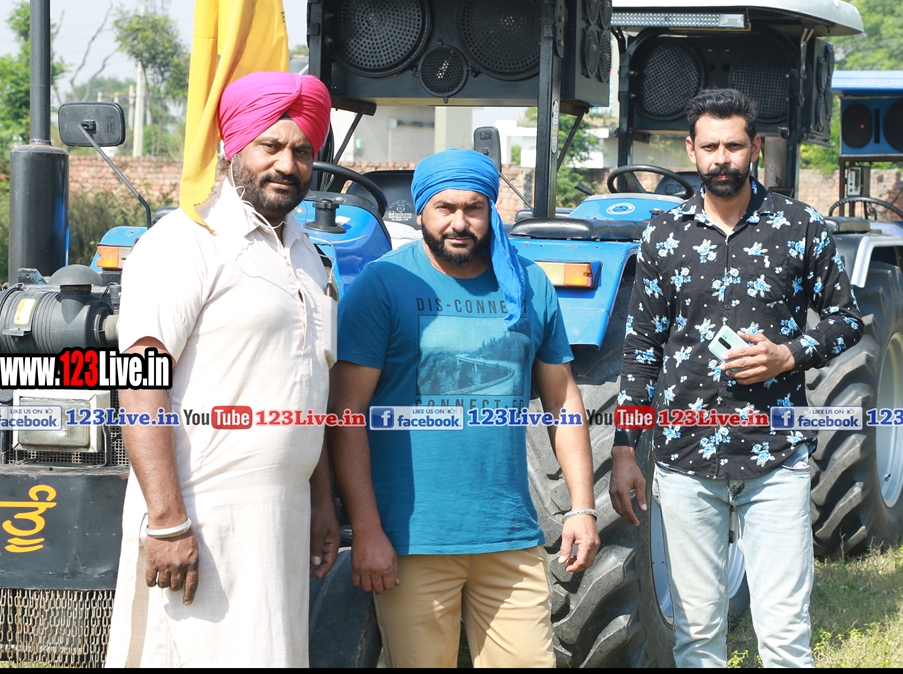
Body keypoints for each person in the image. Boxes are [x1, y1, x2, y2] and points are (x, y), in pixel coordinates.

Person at [609, 88, 863, 667]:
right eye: (710, 147)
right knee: (697, 634)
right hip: (684, 460)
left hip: (775, 455)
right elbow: (642, 349)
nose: (721, 159)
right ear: (690, 150)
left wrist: (788, 355)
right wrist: (625, 447)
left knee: (785, 635)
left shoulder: (800, 226)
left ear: (755, 148)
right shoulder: (663, 236)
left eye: (733, 146)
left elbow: (847, 320)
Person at [105, 71, 342, 667]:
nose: (287, 164)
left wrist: (321, 501)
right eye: (270, 146)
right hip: (203, 516)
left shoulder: (309, 256)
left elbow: (307, 387)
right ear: (233, 146)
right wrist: (167, 521)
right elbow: (138, 384)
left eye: (302, 151)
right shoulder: (186, 240)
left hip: (282, 518)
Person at [330, 148, 600, 668]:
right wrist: (366, 530)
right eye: (444, 208)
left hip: (509, 535)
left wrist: (583, 507)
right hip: (413, 541)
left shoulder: (529, 284)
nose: (459, 223)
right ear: (421, 212)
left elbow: (562, 399)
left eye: (473, 208)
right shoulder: (383, 285)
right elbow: (346, 415)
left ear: (490, 209)